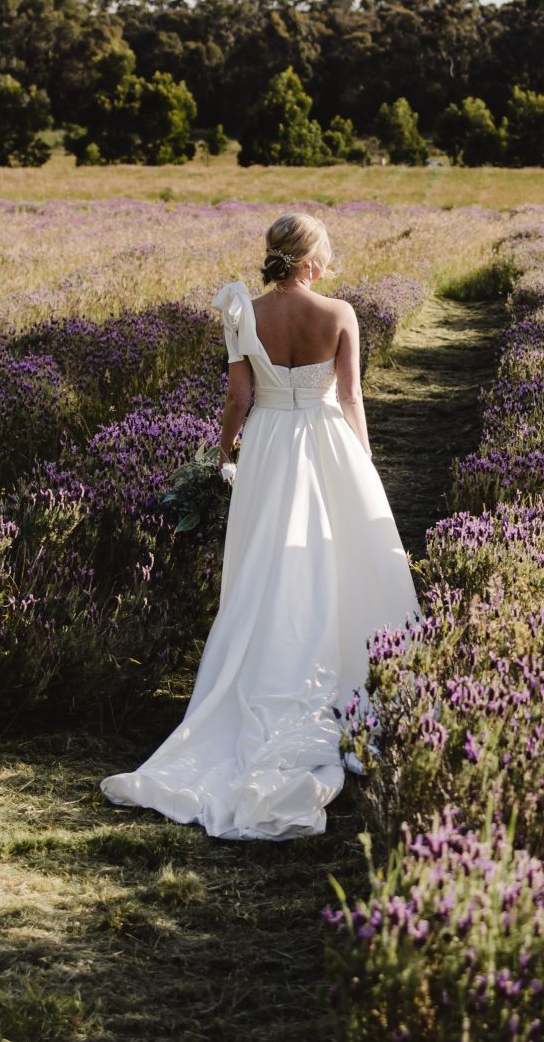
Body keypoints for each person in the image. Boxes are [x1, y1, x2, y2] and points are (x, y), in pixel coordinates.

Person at [101, 212, 418, 839]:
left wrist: (223, 454)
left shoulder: (245, 312)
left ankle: (265, 669)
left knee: (266, 565)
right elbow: (351, 398)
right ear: (311, 261)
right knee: (337, 557)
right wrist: (364, 458)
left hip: (272, 445)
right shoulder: (340, 314)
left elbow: (237, 399)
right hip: (328, 443)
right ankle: (341, 670)